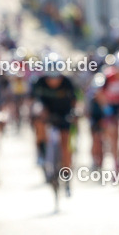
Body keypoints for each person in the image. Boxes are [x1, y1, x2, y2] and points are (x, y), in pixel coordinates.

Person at [31, 53, 79, 193]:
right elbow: (33, 101)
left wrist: (75, 113)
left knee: (66, 145)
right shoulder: (39, 82)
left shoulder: (67, 82)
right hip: (47, 114)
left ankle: (67, 175)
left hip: (64, 115)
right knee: (39, 124)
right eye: (50, 78)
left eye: (56, 77)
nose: (53, 81)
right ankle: (41, 151)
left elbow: (75, 101)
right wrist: (37, 111)